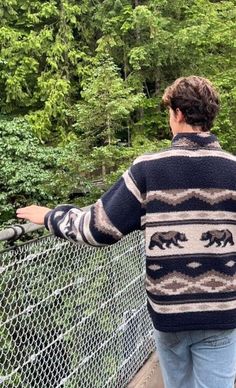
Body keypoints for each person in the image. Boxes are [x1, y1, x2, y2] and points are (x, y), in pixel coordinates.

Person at [17, 76, 236, 388]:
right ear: (209, 116)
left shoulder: (148, 169)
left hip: (169, 314)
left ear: (177, 114)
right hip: (220, 313)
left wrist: (52, 216)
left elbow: (98, 228)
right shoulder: (233, 170)